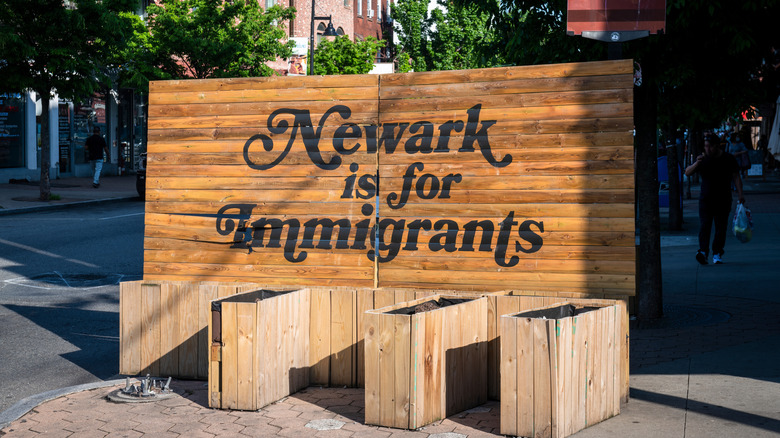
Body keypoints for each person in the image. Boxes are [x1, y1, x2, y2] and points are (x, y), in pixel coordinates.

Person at [685, 133, 745, 265]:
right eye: (706, 146)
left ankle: (717, 253)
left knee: (720, 227)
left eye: (710, 147)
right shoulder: (703, 160)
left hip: (723, 199)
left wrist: (740, 194)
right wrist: (697, 163)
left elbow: (736, 176)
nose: (707, 149)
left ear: (717, 146)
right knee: (705, 226)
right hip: (706, 199)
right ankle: (703, 252)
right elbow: (687, 172)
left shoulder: (728, 159)